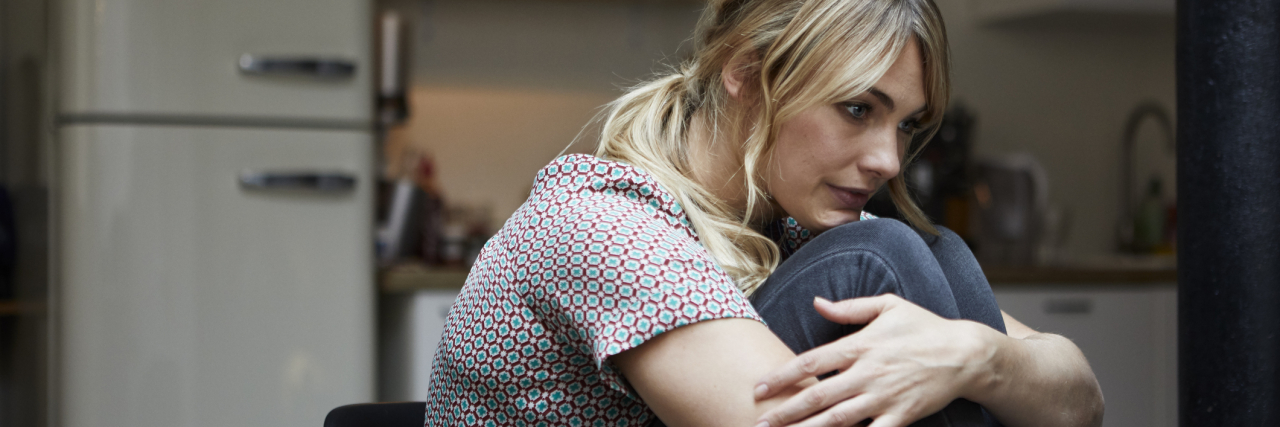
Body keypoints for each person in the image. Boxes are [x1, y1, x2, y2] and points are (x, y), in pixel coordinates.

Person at [425, 0, 1104, 426]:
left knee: (939, 249)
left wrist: (975, 356)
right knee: (890, 254)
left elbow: (1080, 399)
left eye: (905, 124)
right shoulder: (602, 224)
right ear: (746, 72)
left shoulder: (801, 220)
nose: (890, 161)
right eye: (858, 109)